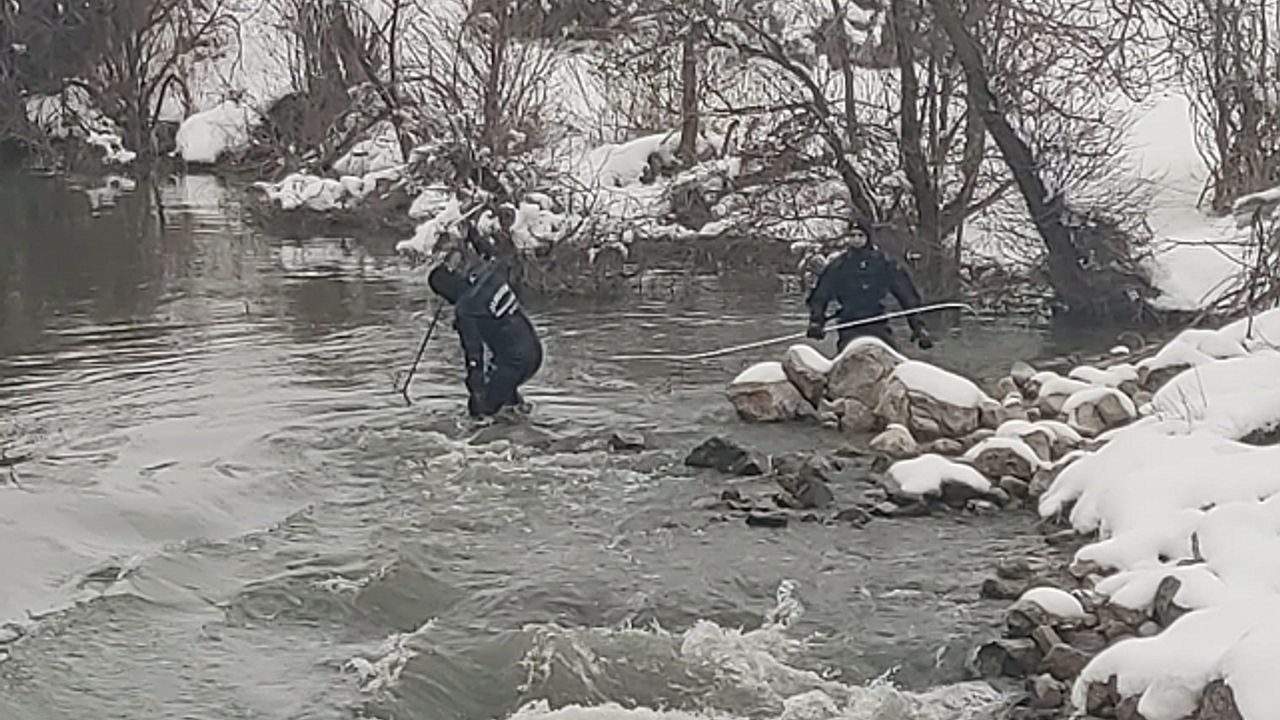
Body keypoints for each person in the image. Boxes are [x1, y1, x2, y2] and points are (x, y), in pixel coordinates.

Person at [428, 255, 543, 419]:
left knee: (482, 411)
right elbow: (496, 259)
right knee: (505, 396)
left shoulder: (465, 310)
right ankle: (521, 423)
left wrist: (476, 392)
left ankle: (498, 439)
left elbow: (474, 354)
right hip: (534, 352)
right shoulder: (491, 275)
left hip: (513, 363)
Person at [805, 220, 934, 352]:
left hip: (877, 322)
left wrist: (918, 327)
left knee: (893, 354)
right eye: (852, 235)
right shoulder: (839, 265)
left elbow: (906, 294)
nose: (856, 240)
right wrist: (816, 321)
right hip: (849, 324)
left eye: (860, 235)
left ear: (868, 237)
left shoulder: (884, 263)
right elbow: (820, 296)